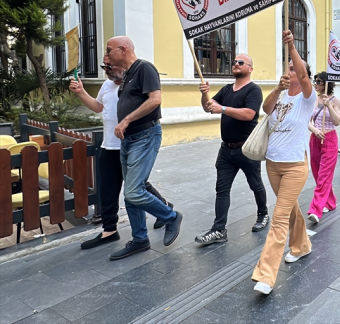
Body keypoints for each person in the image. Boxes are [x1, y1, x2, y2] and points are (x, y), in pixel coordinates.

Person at [69, 57, 171, 250]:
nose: (107, 69)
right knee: (108, 188)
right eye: (104, 66)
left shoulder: (134, 83)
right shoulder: (107, 85)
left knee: (137, 187)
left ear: (123, 64)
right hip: (109, 144)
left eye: (110, 65)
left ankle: (166, 211)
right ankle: (109, 230)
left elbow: (153, 101)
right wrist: (81, 92)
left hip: (132, 142)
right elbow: (98, 106)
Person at [106, 36, 181, 260]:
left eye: (110, 50)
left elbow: (155, 99)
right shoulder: (128, 74)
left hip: (144, 135)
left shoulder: (145, 68)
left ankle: (170, 216)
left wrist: (126, 120)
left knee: (133, 190)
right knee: (130, 193)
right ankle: (140, 239)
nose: (107, 55)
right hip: (129, 139)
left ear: (123, 49)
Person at [252, 30, 316, 295]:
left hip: (294, 166)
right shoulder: (281, 95)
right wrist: (277, 88)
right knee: (289, 210)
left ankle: (266, 275)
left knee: (278, 217)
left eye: (295, 68)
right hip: (273, 163)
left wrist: (291, 45)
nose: (291, 71)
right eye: (288, 67)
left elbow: (302, 75)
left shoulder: (306, 98)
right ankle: (302, 246)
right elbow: (265, 110)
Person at [194, 54, 268, 246]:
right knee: (221, 189)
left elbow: (249, 114)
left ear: (250, 68)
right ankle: (219, 230)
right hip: (226, 150)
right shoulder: (227, 89)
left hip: (246, 148)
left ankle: (263, 213)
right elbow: (209, 107)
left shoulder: (253, 90)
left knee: (255, 184)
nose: (236, 64)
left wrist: (224, 109)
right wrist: (205, 94)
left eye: (241, 62)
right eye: (234, 61)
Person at [307, 72, 340, 224]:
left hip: (330, 140)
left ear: (326, 83)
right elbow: (307, 121)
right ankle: (330, 201)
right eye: (315, 81)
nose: (315, 84)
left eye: (319, 81)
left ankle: (315, 209)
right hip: (315, 138)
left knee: (324, 175)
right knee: (316, 172)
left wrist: (329, 106)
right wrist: (315, 130)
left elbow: (337, 121)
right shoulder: (312, 100)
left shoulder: (335, 101)